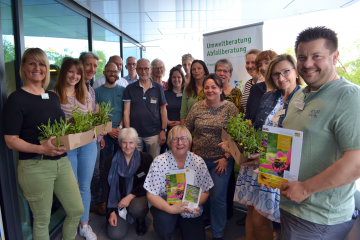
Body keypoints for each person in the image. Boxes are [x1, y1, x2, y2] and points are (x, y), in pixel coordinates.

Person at [277, 26, 360, 239]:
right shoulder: (300, 95)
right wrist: (268, 160)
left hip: (319, 218)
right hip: (290, 206)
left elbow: (356, 161)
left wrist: (304, 189)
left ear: (335, 57)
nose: (308, 64)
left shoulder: (349, 96)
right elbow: (297, 144)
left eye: (317, 56)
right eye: (302, 57)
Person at [3, 48, 84, 240]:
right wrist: (41, 148)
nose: (37, 68)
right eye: (32, 63)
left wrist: (80, 129)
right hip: (35, 166)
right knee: (42, 220)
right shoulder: (16, 99)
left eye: (41, 64)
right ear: (23, 67)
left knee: (75, 210)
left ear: (47, 69)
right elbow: (10, 140)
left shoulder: (52, 96)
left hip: (62, 162)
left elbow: (59, 127)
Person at [232, 54, 305, 240]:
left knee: (260, 220)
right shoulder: (269, 96)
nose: (281, 78)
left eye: (286, 71)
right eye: (275, 74)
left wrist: (265, 157)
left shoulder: (305, 99)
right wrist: (238, 144)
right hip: (255, 164)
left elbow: (300, 141)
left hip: (276, 166)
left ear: (296, 71)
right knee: (250, 213)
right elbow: (257, 126)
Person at [185, 74, 238, 239]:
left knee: (217, 197)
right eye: (207, 87)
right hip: (197, 160)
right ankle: (199, 223)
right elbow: (185, 131)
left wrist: (227, 157)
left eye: (214, 87)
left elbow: (236, 136)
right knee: (198, 194)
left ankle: (217, 233)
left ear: (221, 89)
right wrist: (188, 152)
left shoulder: (230, 108)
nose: (210, 90)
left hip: (220, 160)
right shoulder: (197, 107)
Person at [144, 125, 214, 240]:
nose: (180, 142)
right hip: (165, 204)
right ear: (170, 142)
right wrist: (170, 208)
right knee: (164, 228)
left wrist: (190, 205)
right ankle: (171, 224)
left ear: (189, 141)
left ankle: (180, 223)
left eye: (184, 138)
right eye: (175, 139)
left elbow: (205, 191)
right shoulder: (159, 161)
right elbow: (151, 194)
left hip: (190, 206)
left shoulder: (198, 161)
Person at [104, 128, 153, 239]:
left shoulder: (146, 159)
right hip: (118, 202)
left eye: (131, 142)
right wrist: (111, 212)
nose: (127, 146)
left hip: (137, 197)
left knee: (137, 208)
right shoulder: (110, 161)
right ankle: (121, 215)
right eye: (124, 142)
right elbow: (107, 188)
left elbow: (148, 183)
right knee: (115, 235)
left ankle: (140, 220)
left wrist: (130, 196)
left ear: (136, 143)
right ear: (120, 143)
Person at [214, 58, 244, 220]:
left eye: (225, 71)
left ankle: (228, 213)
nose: (222, 73)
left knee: (229, 176)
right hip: (211, 141)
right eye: (219, 70)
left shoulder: (236, 93)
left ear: (230, 74)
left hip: (229, 141)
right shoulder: (207, 90)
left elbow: (239, 121)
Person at [123, 58, 168, 159]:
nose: (143, 72)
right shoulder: (129, 88)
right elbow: (126, 112)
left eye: (146, 69)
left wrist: (163, 131)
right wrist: (128, 132)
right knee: (134, 162)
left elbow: (163, 110)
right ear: (137, 69)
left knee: (154, 163)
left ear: (151, 69)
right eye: (140, 69)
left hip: (154, 134)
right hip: (134, 134)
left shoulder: (158, 87)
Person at [79, 52, 105, 219]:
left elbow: (94, 114)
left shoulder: (90, 87)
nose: (92, 69)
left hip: (92, 139)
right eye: (88, 64)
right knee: (78, 176)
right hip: (76, 140)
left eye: (95, 66)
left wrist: (100, 136)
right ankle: (78, 209)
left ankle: (94, 203)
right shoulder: (72, 85)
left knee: (95, 173)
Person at [245, 50, 278, 124]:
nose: (263, 68)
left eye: (267, 63)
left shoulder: (283, 89)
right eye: (260, 65)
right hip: (255, 134)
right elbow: (247, 116)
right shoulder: (255, 88)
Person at [161, 66, 185, 153]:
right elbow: (162, 111)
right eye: (174, 77)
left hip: (183, 129)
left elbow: (190, 112)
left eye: (179, 77)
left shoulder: (187, 94)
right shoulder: (164, 93)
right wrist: (168, 122)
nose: (176, 79)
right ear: (170, 79)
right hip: (168, 129)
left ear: (182, 78)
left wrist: (181, 123)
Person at [180, 60, 209, 125]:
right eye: (193, 69)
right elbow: (183, 112)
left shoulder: (210, 88)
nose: (196, 71)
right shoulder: (187, 89)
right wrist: (183, 132)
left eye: (199, 68)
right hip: (190, 128)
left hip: (208, 128)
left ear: (204, 71)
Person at [240, 49, 262, 113]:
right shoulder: (248, 83)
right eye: (247, 63)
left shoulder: (267, 84)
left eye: (253, 62)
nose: (249, 66)